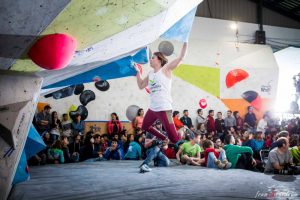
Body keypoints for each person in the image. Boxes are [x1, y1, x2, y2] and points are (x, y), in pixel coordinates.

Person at [133, 42, 188, 143]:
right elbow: (141, 85)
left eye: (153, 57)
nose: (150, 59)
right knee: (145, 126)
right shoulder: (150, 74)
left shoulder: (166, 69)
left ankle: (182, 131)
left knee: (175, 139)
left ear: (159, 59)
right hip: (153, 108)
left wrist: (185, 42)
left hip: (164, 108)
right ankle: (164, 138)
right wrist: (137, 72)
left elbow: (180, 58)